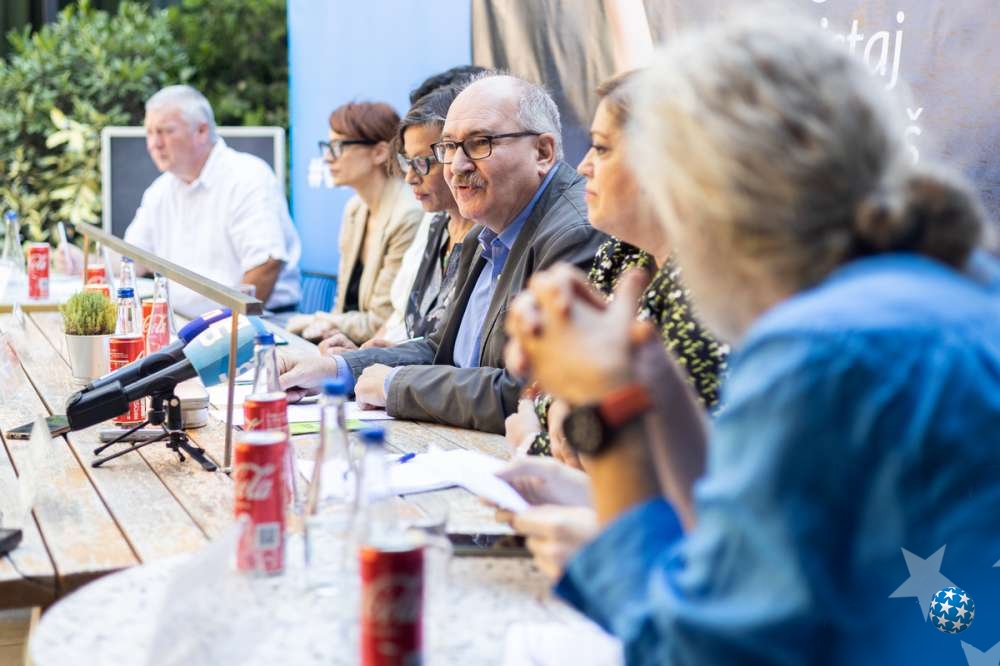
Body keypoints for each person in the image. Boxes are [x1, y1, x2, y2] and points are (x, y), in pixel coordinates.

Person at [502, 17, 1000, 664]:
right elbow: (767, 535)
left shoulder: (821, 348)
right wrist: (649, 376)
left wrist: (608, 407)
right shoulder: (950, 284)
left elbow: (694, 650)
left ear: (691, 195)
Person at [279, 73, 608, 433]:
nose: (457, 165)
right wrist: (336, 369)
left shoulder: (575, 234)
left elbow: (529, 391)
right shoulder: (486, 228)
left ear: (542, 152)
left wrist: (397, 385)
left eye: (480, 143)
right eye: (449, 147)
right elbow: (442, 348)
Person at [504, 70, 727, 471]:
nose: (584, 165)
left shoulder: (709, 289)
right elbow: (546, 389)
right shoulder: (624, 254)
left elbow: (652, 457)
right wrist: (556, 409)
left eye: (602, 149)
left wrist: (535, 438)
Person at [60, 85, 302, 317]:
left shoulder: (247, 177)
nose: (154, 144)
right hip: (184, 323)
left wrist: (227, 328)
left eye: (165, 131)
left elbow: (266, 265)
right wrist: (83, 262)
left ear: (202, 131)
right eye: (150, 133)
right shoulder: (161, 190)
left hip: (259, 325)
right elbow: (131, 262)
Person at [319, 79, 483, 354]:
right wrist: (362, 357)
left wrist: (367, 359)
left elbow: (450, 355)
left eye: (422, 162)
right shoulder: (434, 222)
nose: (409, 177)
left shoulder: (485, 233)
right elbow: (400, 320)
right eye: (407, 161)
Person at [285, 101, 422, 343]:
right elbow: (342, 305)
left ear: (380, 152)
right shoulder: (355, 209)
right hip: (345, 344)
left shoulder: (407, 214)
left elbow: (383, 321)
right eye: (327, 146)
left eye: (338, 146)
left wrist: (316, 320)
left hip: (380, 353)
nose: (327, 157)